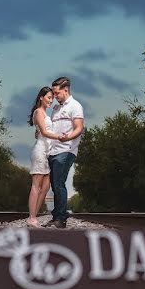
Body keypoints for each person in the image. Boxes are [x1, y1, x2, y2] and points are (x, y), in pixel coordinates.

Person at [46, 76, 84, 228]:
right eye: (54, 93)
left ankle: (61, 219)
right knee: (54, 185)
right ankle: (56, 215)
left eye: (57, 93)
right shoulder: (55, 108)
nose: (55, 96)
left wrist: (68, 137)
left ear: (66, 90)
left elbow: (79, 128)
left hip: (67, 150)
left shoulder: (75, 106)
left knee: (59, 184)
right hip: (53, 151)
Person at [27, 87, 63, 228]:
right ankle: (31, 218)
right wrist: (60, 137)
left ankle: (33, 216)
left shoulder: (45, 114)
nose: (50, 100)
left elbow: (41, 131)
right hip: (40, 152)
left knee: (46, 186)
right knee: (36, 185)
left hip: (47, 152)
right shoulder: (38, 112)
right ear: (41, 97)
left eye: (52, 98)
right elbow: (44, 132)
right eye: (48, 97)